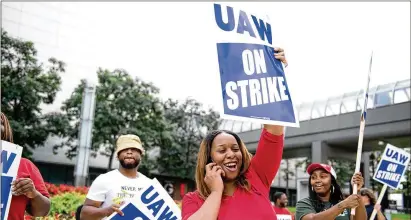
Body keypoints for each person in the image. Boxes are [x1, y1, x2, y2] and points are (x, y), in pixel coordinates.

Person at [80, 134, 152, 220]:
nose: (129, 152)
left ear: (141, 155)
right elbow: (84, 215)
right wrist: (107, 211)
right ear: (117, 156)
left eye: (134, 149)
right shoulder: (104, 179)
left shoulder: (149, 184)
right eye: (124, 149)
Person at [1, 112, 51, 219]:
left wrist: (33, 194)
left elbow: (43, 211)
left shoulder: (24, 165)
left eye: (1, 121)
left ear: (6, 130)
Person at [295, 163, 367, 220]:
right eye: (313, 177)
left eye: (323, 176)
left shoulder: (344, 203)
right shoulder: (304, 204)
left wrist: (357, 191)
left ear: (332, 181)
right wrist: (343, 205)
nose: (317, 180)